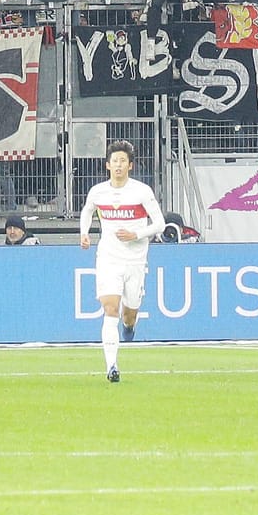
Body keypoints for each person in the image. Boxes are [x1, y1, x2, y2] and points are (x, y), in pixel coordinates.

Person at [79, 141, 165, 383]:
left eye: (122, 161)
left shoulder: (141, 192)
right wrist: (84, 233)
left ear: (130, 165)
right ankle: (111, 366)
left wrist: (136, 234)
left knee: (129, 314)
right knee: (110, 308)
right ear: (108, 165)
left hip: (135, 259)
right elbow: (87, 210)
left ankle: (130, 327)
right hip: (109, 257)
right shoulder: (98, 192)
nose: (118, 165)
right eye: (114, 161)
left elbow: (159, 224)